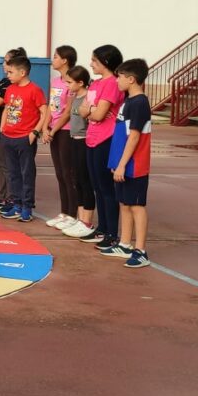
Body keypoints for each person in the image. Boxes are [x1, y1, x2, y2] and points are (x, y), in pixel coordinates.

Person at [107, 59, 152, 268]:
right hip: (121, 162)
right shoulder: (128, 101)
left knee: (136, 205)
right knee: (124, 203)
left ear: (131, 79)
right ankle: (125, 243)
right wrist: (117, 162)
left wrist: (124, 164)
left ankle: (140, 250)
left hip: (135, 164)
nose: (117, 80)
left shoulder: (140, 102)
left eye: (121, 76)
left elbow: (134, 137)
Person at [80, 44, 125, 248]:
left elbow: (97, 114)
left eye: (95, 61)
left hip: (106, 138)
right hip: (91, 136)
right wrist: (92, 110)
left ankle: (111, 232)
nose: (91, 64)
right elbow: (82, 111)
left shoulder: (113, 84)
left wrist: (92, 110)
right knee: (96, 185)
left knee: (106, 187)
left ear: (105, 62)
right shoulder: (95, 84)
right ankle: (102, 227)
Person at [0, 54, 49, 223]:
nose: (8, 75)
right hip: (8, 136)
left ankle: (27, 206)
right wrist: (3, 127)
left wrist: (35, 132)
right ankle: (17, 204)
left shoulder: (34, 90)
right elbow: (6, 109)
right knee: (13, 173)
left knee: (26, 173)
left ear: (22, 72)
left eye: (11, 72)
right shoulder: (11, 89)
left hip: (24, 138)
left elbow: (44, 111)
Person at [0, 47, 27, 213]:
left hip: (8, 129)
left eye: (6, 61)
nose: (4, 64)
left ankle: (12, 197)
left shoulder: (12, 83)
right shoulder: (3, 81)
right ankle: (4, 196)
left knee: (9, 165)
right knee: (0, 164)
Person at [42, 45, 79, 230]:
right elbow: (51, 106)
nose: (53, 59)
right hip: (54, 129)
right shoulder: (56, 81)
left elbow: (67, 112)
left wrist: (54, 129)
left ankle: (73, 214)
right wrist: (45, 127)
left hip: (65, 130)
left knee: (68, 173)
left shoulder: (72, 82)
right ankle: (64, 212)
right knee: (59, 173)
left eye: (56, 56)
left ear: (65, 60)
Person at [61, 66, 97, 239]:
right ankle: (81, 219)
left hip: (84, 141)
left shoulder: (88, 97)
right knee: (77, 179)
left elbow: (91, 119)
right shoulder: (74, 96)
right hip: (74, 139)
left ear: (81, 82)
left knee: (85, 180)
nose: (67, 85)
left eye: (69, 82)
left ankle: (87, 221)